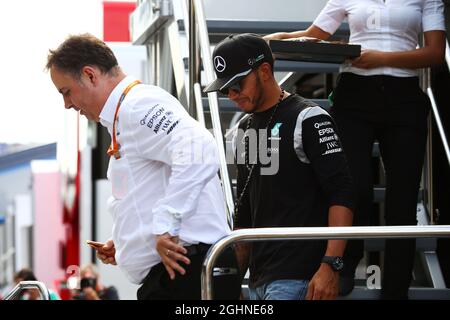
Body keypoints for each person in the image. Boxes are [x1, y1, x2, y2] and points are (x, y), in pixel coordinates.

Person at [264, 0, 446, 299]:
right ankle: (345, 264)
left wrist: (380, 58)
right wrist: (274, 40)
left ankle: (395, 288)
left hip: (404, 99)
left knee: (403, 200)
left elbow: (436, 53)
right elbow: (315, 34)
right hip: (354, 95)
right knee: (354, 186)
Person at [46, 34, 241, 300]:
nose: (67, 104)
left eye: (66, 92)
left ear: (90, 75)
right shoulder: (126, 112)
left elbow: (199, 147)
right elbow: (152, 187)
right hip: (180, 271)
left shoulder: (136, 107)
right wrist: (131, 241)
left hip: (186, 273)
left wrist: (166, 225)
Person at [204, 33, 354, 300]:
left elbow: (342, 193)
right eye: (225, 89)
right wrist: (233, 283)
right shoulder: (242, 129)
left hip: (301, 278)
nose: (232, 95)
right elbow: (245, 215)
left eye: (237, 84)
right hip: (259, 281)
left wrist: (331, 265)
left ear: (264, 71)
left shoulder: (309, 117)